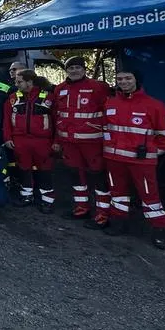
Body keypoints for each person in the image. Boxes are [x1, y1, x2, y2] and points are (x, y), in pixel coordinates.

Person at [99, 69, 165, 248]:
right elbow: (105, 129)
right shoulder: (110, 103)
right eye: (119, 79)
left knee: (150, 197)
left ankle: (161, 230)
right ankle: (119, 223)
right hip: (114, 159)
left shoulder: (154, 105)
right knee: (118, 194)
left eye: (127, 78)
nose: (123, 82)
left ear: (136, 80)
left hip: (141, 162)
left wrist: (151, 152)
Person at [52, 56, 111, 223]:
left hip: (92, 142)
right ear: (66, 71)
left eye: (78, 67)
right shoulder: (60, 89)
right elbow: (57, 116)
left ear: (84, 69)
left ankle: (103, 213)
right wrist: (57, 140)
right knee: (75, 176)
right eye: (70, 68)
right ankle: (81, 208)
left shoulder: (98, 87)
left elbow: (108, 113)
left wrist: (108, 139)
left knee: (98, 177)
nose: (74, 71)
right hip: (68, 142)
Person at [3, 70, 55, 211]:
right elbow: (6, 121)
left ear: (30, 82)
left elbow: (56, 121)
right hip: (20, 140)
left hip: (42, 140)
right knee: (23, 168)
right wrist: (7, 138)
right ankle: (26, 195)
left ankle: (47, 199)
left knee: (44, 170)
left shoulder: (48, 98)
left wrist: (56, 141)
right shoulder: (13, 98)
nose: (16, 84)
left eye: (19, 82)